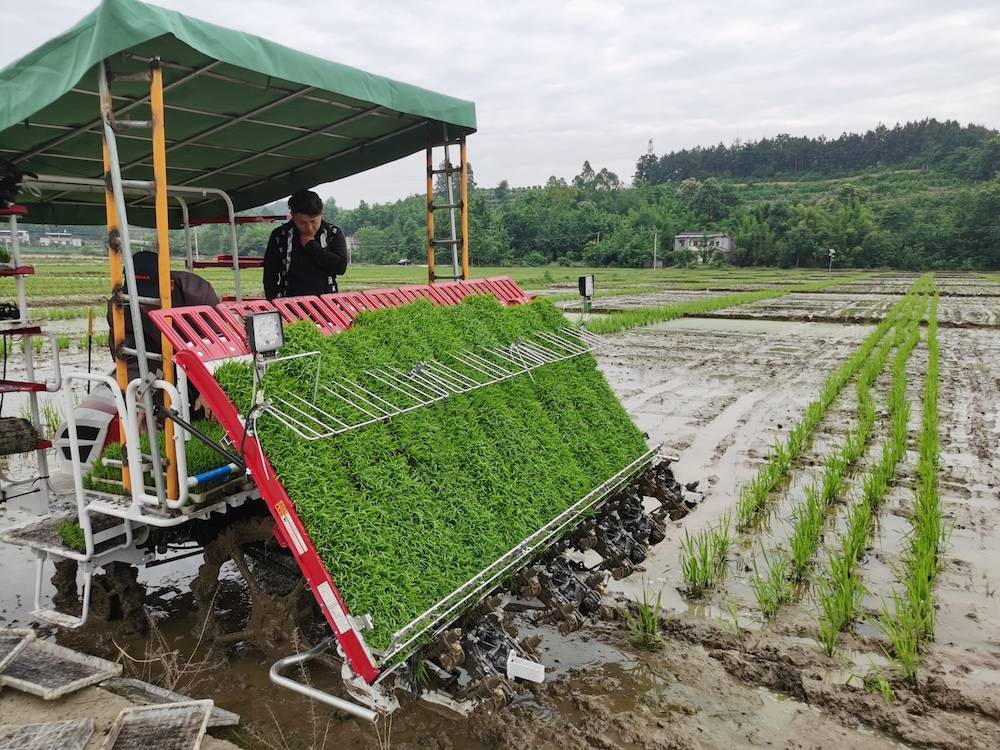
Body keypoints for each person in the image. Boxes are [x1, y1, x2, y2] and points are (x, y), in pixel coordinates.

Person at [107, 250, 219, 418]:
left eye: (153, 300)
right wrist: (140, 394)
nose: (147, 309)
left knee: (211, 405)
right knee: (147, 405)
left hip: (199, 356)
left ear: (170, 285)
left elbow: (218, 345)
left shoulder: (199, 295)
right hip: (158, 360)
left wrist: (209, 387)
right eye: (140, 302)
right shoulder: (120, 308)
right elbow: (128, 357)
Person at [263, 189, 348, 300]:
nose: (309, 228)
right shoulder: (280, 236)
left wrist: (311, 246)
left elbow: (340, 267)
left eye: (313, 221)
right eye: (302, 222)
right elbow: (270, 275)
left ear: (321, 213)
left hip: (327, 304)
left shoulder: (333, 233)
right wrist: (275, 302)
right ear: (292, 215)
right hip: (289, 304)